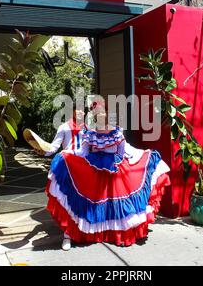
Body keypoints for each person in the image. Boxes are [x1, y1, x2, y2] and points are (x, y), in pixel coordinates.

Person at [45, 103, 171, 250]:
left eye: (102, 112)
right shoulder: (88, 132)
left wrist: (143, 154)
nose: (100, 115)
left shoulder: (117, 131)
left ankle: (117, 233)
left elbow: (125, 150)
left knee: (116, 207)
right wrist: (66, 155)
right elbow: (82, 152)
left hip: (115, 170)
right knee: (82, 203)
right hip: (94, 170)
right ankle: (69, 234)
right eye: (96, 112)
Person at [30, 103, 85, 250]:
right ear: (72, 111)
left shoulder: (88, 128)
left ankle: (82, 232)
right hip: (68, 167)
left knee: (83, 203)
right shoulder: (64, 127)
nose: (81, 112)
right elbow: (53, 147)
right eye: (77, 109)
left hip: (85, 168)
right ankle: (67, 235)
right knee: (68, 201)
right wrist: (43, 151)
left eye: (83, 109)